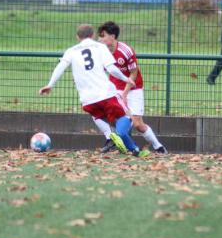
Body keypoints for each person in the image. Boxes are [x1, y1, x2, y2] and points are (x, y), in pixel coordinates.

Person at [39, 24, 149, 157]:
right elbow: (111, 68)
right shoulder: (100, 47)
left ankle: (115, 138)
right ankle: (121, 138)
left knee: (102, 117)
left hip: (88, 101)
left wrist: (50, 84)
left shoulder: (71, 50)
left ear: (77, 37)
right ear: (92, 36)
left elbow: (60, 67)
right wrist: (126, 79)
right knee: (127, 116)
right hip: (106, 94)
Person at [97, 21, 168, 155]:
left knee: (138, 124)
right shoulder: (100, 52)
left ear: (112, 36)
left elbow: (134, 72)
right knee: (105, 114)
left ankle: (159, 147)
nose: (99, 39)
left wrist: (125, 93)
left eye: (103, 36)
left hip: (134, 87)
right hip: (115, 88)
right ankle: (117, 141)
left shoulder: (125, 51)